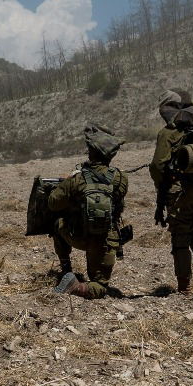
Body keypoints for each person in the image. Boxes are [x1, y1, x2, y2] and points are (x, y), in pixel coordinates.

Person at [49, 124, 128, 299]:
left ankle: (66, 269)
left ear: (91, 153)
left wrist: (68, 182)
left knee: (57, 223)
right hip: (105, 241)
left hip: (78, 236)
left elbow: (53, 203)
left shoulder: (77, 180)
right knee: (99, 286)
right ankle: (77, 287)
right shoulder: (121, 179)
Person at [150, 93, 193, 302]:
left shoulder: (167, 133)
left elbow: (158, 166)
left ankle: (184, 289)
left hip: (179, 195)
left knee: (180, 243)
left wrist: (162, 189)